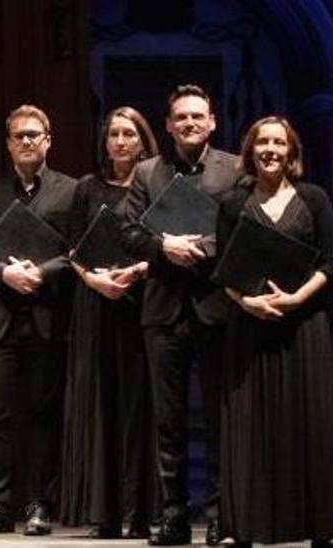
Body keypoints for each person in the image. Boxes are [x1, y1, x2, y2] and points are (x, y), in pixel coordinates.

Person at [116, 84, 243, 546]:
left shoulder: (233, 169)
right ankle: (172, 517)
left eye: (197, 117)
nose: (189, 124)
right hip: (163, 308)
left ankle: (219, 515)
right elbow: (128, 233)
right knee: (167, 420)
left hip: (214, 306)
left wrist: (203, 249)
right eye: (180, 118)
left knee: (216, 416)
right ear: (167, 126)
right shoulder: (148, 171)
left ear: (212, 122)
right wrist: (163, 246)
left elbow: (244, 229)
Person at [216, 116, 333, 546]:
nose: (270, 149)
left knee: (310, 422)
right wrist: (248, 302)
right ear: (250, 151)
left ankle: (318, 525)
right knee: (250, 426)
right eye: (262, 142)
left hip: (305, 327)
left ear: (291, 151)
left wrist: (297, 298)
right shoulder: (232, 202)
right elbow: (222, 270)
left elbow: (330, 262)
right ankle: (245, 525)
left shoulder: (315, 198)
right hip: (249, 327)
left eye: (279, 142)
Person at [0, 105, 78, 536]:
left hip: (48, 317)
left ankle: (39, 505)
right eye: (19, 136)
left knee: (43, 415)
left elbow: (77, 250)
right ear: (8, 143)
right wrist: (3, 273)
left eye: (34, 134)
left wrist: (42, 273)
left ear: (48, 139)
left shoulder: (71, 191)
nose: (27, 141)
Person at [59, 107, 158, 539]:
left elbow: (165, 243)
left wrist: (136, 272)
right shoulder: (87, 187)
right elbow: (72, 248)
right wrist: (94, 279)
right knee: (100, 402)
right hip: (95, 302)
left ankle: (139, 511)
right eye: (113, 134)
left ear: (143, 141)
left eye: (129, 134)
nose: (120, 141)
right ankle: (104, 512)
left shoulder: (155, 185)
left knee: (139, 405)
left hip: (140, 302)